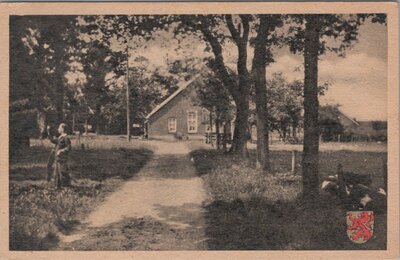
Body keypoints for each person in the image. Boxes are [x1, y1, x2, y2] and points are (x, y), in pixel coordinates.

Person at [47, 123, 72, 188]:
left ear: (63, 129)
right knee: (57, 172)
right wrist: (48, 132)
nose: (58, 129)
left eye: (59, 128)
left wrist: (61, 151)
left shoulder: (66, 137)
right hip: (58, 158)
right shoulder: (61, 137)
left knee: (63, 172)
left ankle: (66, 186)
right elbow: (54, 141)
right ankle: (58, 186)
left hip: (62, 158)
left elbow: (69, 148)